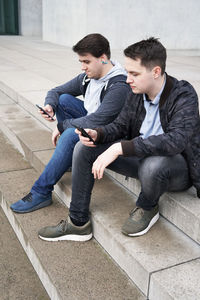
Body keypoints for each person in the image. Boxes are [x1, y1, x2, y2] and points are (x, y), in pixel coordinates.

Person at [37, 37, 200, 242]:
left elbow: (176, 141)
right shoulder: (135, 90)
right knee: (84, 148)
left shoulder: (183, 94)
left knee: (153, 164)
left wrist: (120, 148)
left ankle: (147, 206)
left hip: (175, 168)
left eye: (134, 73)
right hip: (140, 156)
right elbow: (121, 126)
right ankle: (78, 223)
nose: (127, 78)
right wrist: (99, 134)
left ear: (156, 72)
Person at [10, 33, 130, 213]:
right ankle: (69, 159)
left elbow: (96, 120)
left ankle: (41, 192)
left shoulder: (119, 86)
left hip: (110, 135)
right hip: (95, 125)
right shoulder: (88, 77)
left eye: (86, 62)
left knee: (67, 134)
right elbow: (56, 91)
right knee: (64, 100)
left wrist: (61, 127)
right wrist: (50, 105)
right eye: (81, 62)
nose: (82, 67)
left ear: (103, 59)